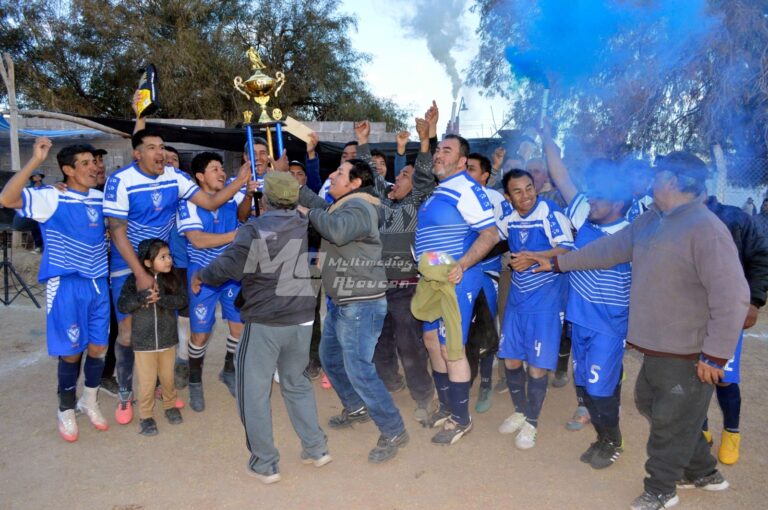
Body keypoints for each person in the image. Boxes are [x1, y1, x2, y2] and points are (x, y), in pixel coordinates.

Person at [528, 152, 749, 510]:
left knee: (669, 419)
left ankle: (661, 489)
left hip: (687, 350)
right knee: (652, 403)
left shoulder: (706, 229)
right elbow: (610, 249)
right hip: (658, 346)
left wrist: (715, 354)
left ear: (672, 181)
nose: (651, 179)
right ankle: (702, 471)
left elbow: (733, 295)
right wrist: (559, 263)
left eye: (657, 174)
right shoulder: (653, 218)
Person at [102, 128, 247, 425]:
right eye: (152, 147)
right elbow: (117, 233)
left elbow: (211, 202)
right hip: (127, 263)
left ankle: (161, 386)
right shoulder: (120, 181)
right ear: (137, 154)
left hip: (162, 262)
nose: (160, 152)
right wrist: (140, 272)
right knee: (128, 331)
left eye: (162, 146)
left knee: (164, 325)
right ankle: (126, 394)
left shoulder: (175, 177)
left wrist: (241, 181)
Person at [193, 171, 330, 484]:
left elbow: (227, 267)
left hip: (266, 319)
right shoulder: (305, 222)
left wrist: (202, 275)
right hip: (303, 316)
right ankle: (316, 448)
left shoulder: (254, 228)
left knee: (253, 392)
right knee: (296, 382)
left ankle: (265, 463)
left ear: (265, 198)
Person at [297, 157, 409, 463]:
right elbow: (322, 205)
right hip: (345, 301)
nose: (332, 175)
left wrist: (308, 212)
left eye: (339, 173)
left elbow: (335, 229)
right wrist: (298, 188)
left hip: (361, 303)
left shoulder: (360, 207)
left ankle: (394, 430)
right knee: (330, 358)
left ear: (356, 183)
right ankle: (356, 407)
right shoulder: (346, 204)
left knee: (359, 369)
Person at [0, 137, 110, 442]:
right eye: (85, 163)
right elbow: (7, 199)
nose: (93, 167)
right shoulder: (51, 196)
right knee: (71, 352)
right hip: (66, 284)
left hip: (98, 283)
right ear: (68, 170)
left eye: (94, 162)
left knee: (99, 347)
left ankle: (89, 400)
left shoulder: (99, 198)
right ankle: (65, 408)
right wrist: (36, 161)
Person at [541, 135, 633, 467]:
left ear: (618, 204)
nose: (590, 199)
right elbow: (561, 176)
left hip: (608, 327)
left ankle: (614, 440)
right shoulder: (586, 216)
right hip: (578, 322)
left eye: (598, 197)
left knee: (598, 389)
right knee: (584, 388)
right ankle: (602, 437)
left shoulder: (633, 235)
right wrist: (546, 139)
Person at [413, 134, 499, 445]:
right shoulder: (440, 191)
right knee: (431, 342)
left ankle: (461, 418)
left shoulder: (468, 188)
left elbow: (490, 234)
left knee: (452, 348)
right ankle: (447, 406)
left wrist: (461, 265)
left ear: (462, 160)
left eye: (446, 150)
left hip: (457, 281)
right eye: (437, 149)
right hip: (432, 281)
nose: (438, 154)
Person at [355, 112, 438, 425]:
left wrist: (425, 141)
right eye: (400, 174)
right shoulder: (383, 204)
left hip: (405, 289)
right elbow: (372, 178)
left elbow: (424, 177)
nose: (398, 178)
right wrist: (363, 143)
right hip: (378, 287)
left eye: (405, 175)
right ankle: (390, 382)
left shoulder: (416, 206)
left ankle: (423, 396)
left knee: (409, 345)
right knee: (379, 342)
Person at [496, 169, 574, 450]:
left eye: (529, 188)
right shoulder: (508, 217)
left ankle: (532, 422)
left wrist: (533, 257)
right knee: (511, 359)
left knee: (538, 366)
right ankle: (520, 411)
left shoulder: (550, 212)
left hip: (546, 301)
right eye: (517, 191)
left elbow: (567, 249)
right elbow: (490, 236)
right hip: (518, 299)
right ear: (508, 196)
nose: (526, 195)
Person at [702, 194, 768, 464]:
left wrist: (754, 302)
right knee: (694, 374)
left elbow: (760, 259)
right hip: (691, 314)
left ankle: (732, 432)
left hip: (727, 313)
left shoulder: (736, 218)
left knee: (723, 376)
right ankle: (701, 429)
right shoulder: (674, 220)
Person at [177, 152, 245, 410]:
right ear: (200, 176)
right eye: (214, 169)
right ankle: (195, 381)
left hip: (231, 272)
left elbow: (249, 204)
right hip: (202, 275)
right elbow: (198, 240)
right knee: (200, 335)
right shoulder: (188, 203)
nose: (221, 173)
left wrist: (249, 190)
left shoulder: (230, 196)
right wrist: (235, 235)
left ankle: (228, 370)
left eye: (222, 168)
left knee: (239, 328)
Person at [117, 238, 186, 435]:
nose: (169, 260)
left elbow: (182, 300)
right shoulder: (134, 281)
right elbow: (122, 305)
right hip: (143, 343)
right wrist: (141, 298)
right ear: (147, 262)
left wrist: (161, 299)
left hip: (167, 340)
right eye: (162, 257)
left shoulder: (173, 278)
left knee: (167, 378)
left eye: (169, 256)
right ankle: (146, 416)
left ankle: (170, 405)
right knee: (147, 382)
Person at [465, 152, 514, 413]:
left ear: (485, 176)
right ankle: (461, 380)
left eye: (472, 168)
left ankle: (485, 383)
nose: (466, 172)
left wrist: (473, 256)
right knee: (458, 328)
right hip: (456, 273)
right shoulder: (453, 196)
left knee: (484, 329)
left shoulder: (495, 198)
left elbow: (505, 238)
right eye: (465, 167)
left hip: (485, 273)